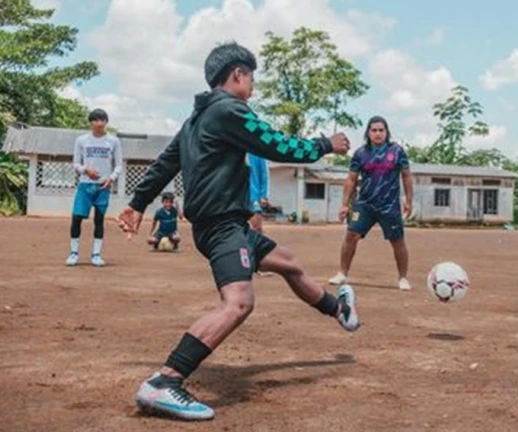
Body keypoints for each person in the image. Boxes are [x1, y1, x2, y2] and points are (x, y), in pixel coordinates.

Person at [117, 41, 358, 421]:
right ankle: (165, 381)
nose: (253, 85)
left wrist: (136, 203)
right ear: (238, 75)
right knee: (239, 303)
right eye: (252, 76)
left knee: (291, 264)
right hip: (222, 225)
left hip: (229, 223)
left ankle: (338, 308)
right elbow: (274, 143)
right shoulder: (230, 110)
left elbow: (165, 164)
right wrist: (324, 144)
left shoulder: (196, 119)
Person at [328, 116, 414, 291]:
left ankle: (403, 278)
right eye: (374, 130)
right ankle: (342, 273)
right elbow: (351, 179)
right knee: (351, 235)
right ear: (368, 132)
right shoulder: (360, 153)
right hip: (365, 204)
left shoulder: (397, 151)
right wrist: (345, 204)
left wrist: (408, 200)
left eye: (381, 130)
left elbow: (406, 175)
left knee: (397, 241)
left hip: (389, 205)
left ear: (386, 132)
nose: (377, 133)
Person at [66, 108, 123, 267]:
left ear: (106, 122)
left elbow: (118, 165)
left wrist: (111, 179)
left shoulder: (113, 141)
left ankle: (96, 254)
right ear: (90, 122)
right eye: (96, 120)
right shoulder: (82, 140)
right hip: (85, 185)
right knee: (77, 218)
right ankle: (73, 253)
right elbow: (76, 163)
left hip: (103, 186)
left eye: (103, 120)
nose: (100, 123)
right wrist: (86, 170)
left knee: (99, 220)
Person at [247, 152, 270, 233]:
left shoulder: (256, 152)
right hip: (235, 196)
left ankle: (257, 244)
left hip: (253, 196)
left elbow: (264, 173)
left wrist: (263, 195)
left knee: (257, 228)